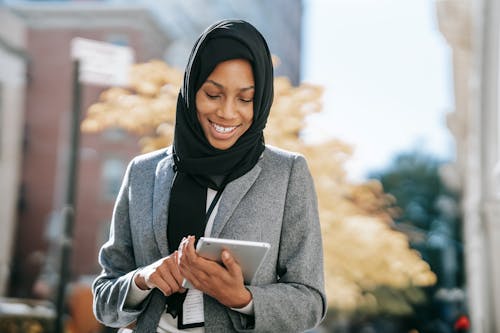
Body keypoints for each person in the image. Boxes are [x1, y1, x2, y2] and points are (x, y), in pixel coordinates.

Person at [92, 19, 326, 333]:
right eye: (213, 95)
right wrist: (142, 279)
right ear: (191, 91)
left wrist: (243, 298)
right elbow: (104, 301)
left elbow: (310, 302)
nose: (228, 113)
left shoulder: (287, 174)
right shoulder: (143, 173)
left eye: (245, 99)